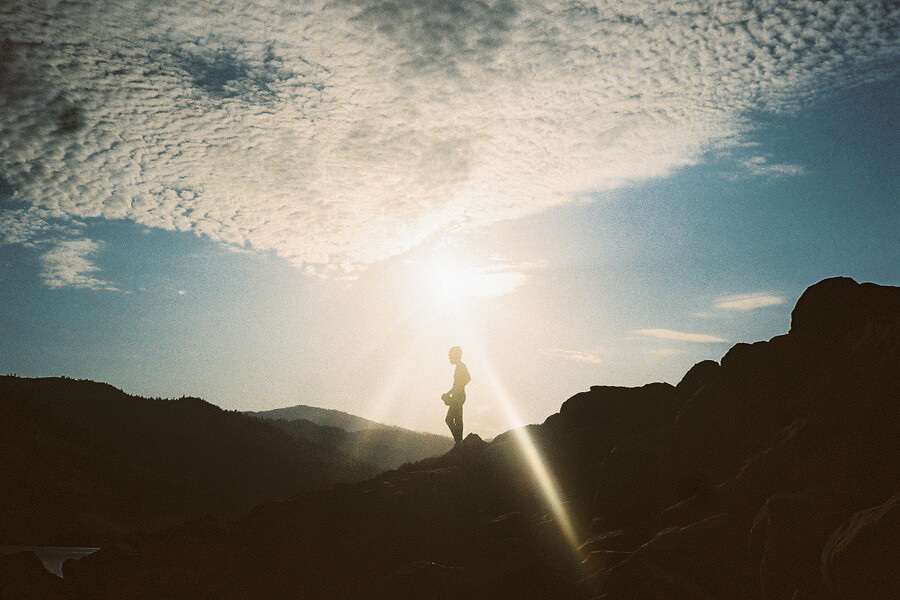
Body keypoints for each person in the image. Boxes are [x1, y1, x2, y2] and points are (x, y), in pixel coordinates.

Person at [442, 346, 470, 444]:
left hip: (458, 396)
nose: (449, 358)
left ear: (455, 355)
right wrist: (448, 394)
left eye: (450, 356)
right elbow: (458, 384)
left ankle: (459, 441)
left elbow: (467, 379)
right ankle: (459, 441)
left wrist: (458, 388)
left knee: (450, 419)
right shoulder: (460, 366)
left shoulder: (461, 366)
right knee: (457, 418)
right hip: (458, 395)